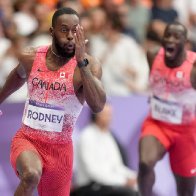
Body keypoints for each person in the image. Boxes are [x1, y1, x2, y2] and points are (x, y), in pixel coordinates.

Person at [0, 7, 106, 196]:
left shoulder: (89, 65)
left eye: (75, 30)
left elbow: (98, 106)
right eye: (64, 30)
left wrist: (81, 62)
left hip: (60, 152)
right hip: (27, 140)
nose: (70, 36)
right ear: (52, 32)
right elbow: (17, 77)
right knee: (31, 175)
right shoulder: (32, 57)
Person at [138, 21, 196, 196]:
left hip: (186, 131)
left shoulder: (193, 67)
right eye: (167, 35)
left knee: (185, 191)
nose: (170, 40)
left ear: (185, 43)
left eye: (176, 37)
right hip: (157, 123)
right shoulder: (153, 54)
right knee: (145, 162)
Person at [72, 103, 138, 196]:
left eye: (110, 115)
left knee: (138, 188)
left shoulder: (109, 136)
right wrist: (122, 181)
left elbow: (117, 166)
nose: (109, 118)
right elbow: (93, 171)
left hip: (110, 184)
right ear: (96, 115)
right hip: (90, 186)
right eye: (106, 115)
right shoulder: (87, 136)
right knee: (128, 193)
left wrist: (134, 177)